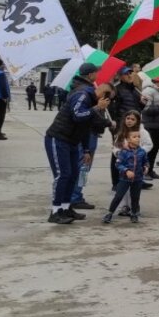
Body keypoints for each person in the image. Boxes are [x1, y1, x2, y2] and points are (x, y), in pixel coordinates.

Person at [43, 63, 110, 224]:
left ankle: (66, 208)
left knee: (73, 174)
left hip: (72, 141)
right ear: (91, 75)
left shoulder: (87, 94)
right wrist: (96, 109)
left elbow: (85, 126)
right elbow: (78, 116)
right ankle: (55, 211)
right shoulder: (82, 93)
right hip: (58, 138)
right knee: (63, 175)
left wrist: (86, 150)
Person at [104, 127, 149, 224]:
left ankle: (134, 214)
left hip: (138, 179)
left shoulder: (142, 151)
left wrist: (146, 167)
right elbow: (118, 164)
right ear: (128, 139)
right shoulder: (123, 152)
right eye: (134, 137)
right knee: (118, 196)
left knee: (135, 197)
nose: (137, 138)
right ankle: (109, 213)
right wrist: (126, 171)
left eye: (138, 137)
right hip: (124, 179)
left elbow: (146, 162)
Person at [140, 78, 159, 180]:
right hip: (151, 126)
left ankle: (150, 170)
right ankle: (144, 172)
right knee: (149, 150)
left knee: (155, 150)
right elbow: (145, 110)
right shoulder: (148, 91)